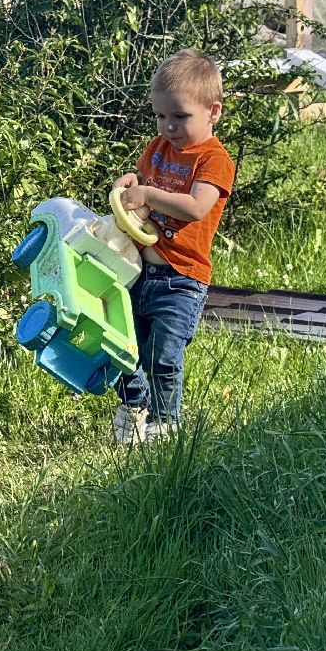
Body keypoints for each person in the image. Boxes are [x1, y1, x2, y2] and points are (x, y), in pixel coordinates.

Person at [110, 49, 235, 444]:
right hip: (140, 270)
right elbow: (145, 187)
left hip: (181, 278)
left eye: (180, 117)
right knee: (123, 345)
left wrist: (149, 191)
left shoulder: (213, 159)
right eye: (161, 116)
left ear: (212, 111)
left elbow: (196, 207)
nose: (168, 126)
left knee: (163, 356)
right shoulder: (158, 148)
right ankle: (133, 408)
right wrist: (132, 184)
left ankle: (164, 423)